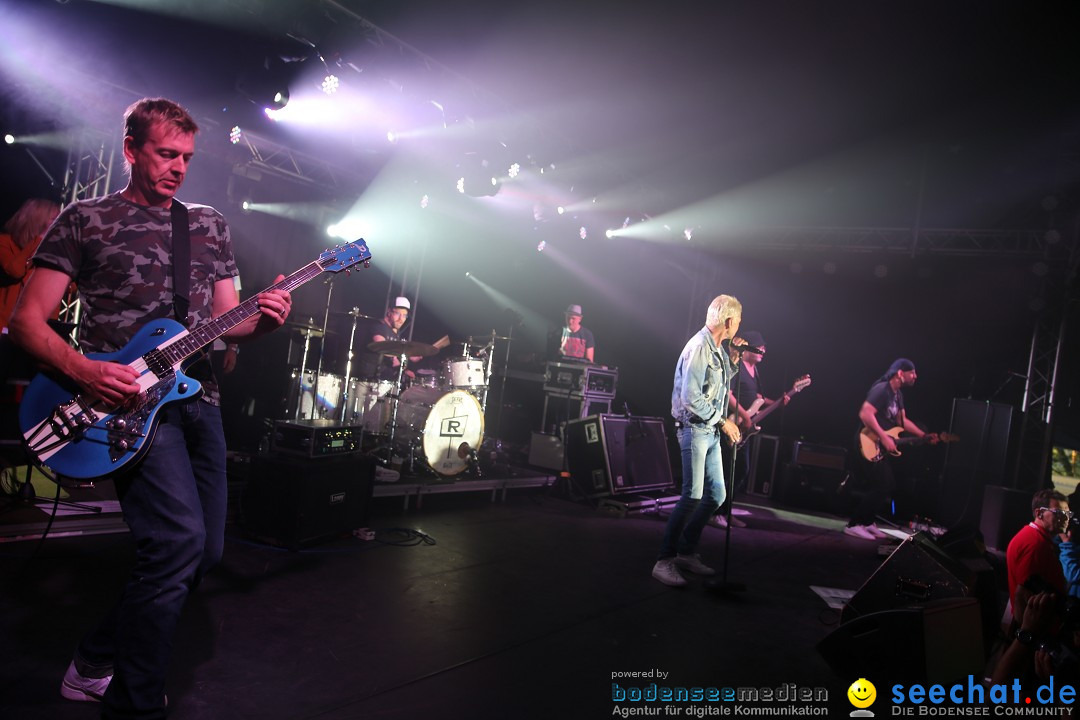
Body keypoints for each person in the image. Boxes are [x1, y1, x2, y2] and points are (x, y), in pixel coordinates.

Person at [8, 97, 292, 717]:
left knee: (206, 551)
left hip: (198, 398)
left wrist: (264, 322)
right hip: (127, 406)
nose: (178, 168)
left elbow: (225, 323)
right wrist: (84, 369)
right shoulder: (86, 219)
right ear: (131, 149)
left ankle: (95, 657)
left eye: (187, 157)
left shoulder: (208, 224)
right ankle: (138, 701)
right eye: (166, 154)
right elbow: (28, 323)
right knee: (174, 543)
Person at [652, 294, 744, 587]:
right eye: (738, 321)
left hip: (711, 430)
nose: (739, 326)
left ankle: (686, 552)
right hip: (695, 428)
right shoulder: (699, 347)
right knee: (692, 494)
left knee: (716, 495)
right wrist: (724, 421)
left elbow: (715, 384)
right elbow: (691, 397)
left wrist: (733, 359)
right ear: (729, 321)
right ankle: (663, 561)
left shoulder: (716, 347)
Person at [844, 358, 937, 541]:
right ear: (900, 373)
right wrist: (883, 436)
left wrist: (922, 435)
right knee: (883, 483)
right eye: (913, 372)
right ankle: (854, 524)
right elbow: (865, 413)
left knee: (887, 484)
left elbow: (902, 422)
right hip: (867, 441)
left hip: (878, 442)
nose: (915, 376)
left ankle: (868, 521)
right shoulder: (882, 389)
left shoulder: (898, 395)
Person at [712, 330, 787, 529]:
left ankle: (725, 512)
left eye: (764, 347)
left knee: (740, 471)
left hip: (745, 429)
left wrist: (778, 402)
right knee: (731, 469)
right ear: (747, 349)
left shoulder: (755, 371)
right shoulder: (737, 366)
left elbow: (759, 398)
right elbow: (727, 394)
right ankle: (716, 512)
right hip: (734, 423)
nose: (763, 350)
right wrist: (745, 416)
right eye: (759, 347)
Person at [0, 198, 61, 332]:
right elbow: (15, 271)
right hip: (5, 329)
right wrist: (39, 239)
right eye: (54, 219)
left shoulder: (50, 251)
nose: (58, 225)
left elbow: (71, 287)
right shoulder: (5, 243)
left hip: (36, 331)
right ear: (37, 220)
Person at [1007, 489, 1069, 615]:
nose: (1065, 518)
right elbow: (1023, 595)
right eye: (1058, 513)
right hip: (1036, 628)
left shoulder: (1035, 537)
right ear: (1039, 513)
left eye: (1068, 513)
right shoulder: (1035, 543)